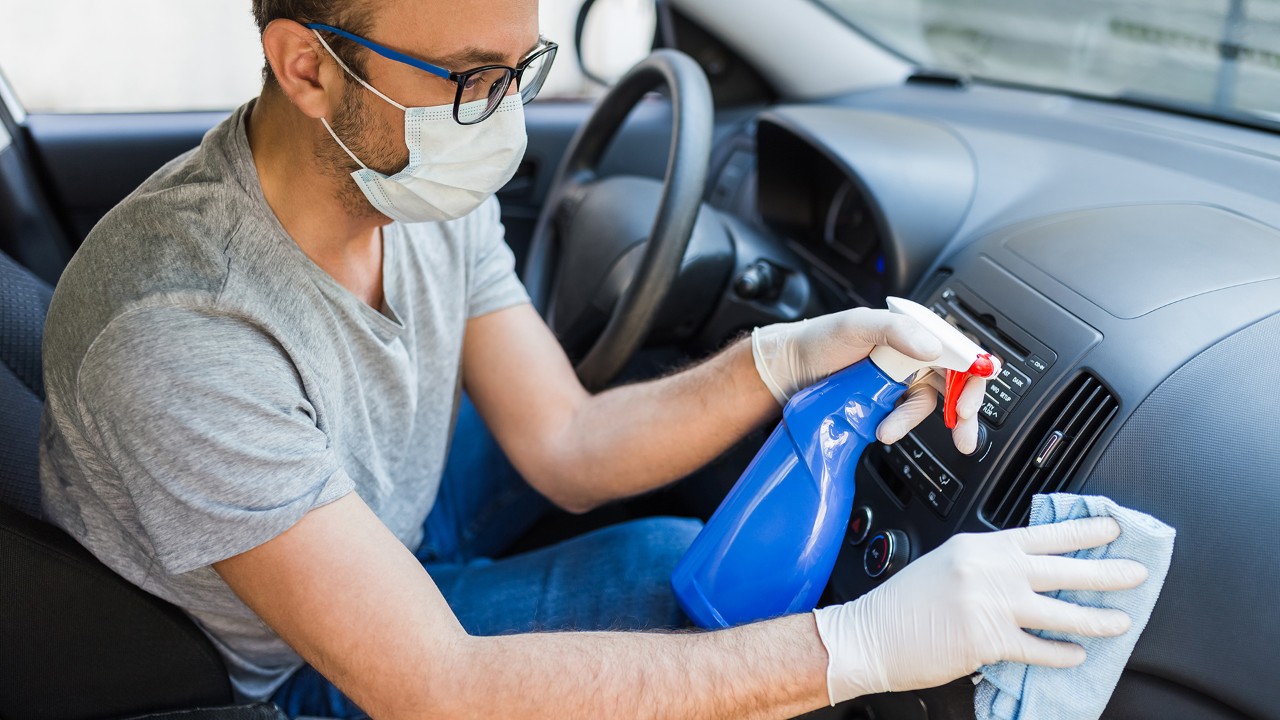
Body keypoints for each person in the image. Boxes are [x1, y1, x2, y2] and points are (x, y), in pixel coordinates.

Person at [38, 0, 1148, 717]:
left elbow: (564, 445)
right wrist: (857, 646)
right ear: (309, 69)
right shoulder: (179, 331)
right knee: (687, 585)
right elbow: (436, 686)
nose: (504, 117)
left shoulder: (411, 184)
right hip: (299, 665)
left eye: (522, 68)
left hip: (381, 504)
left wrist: (788, 353)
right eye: (471, 79)